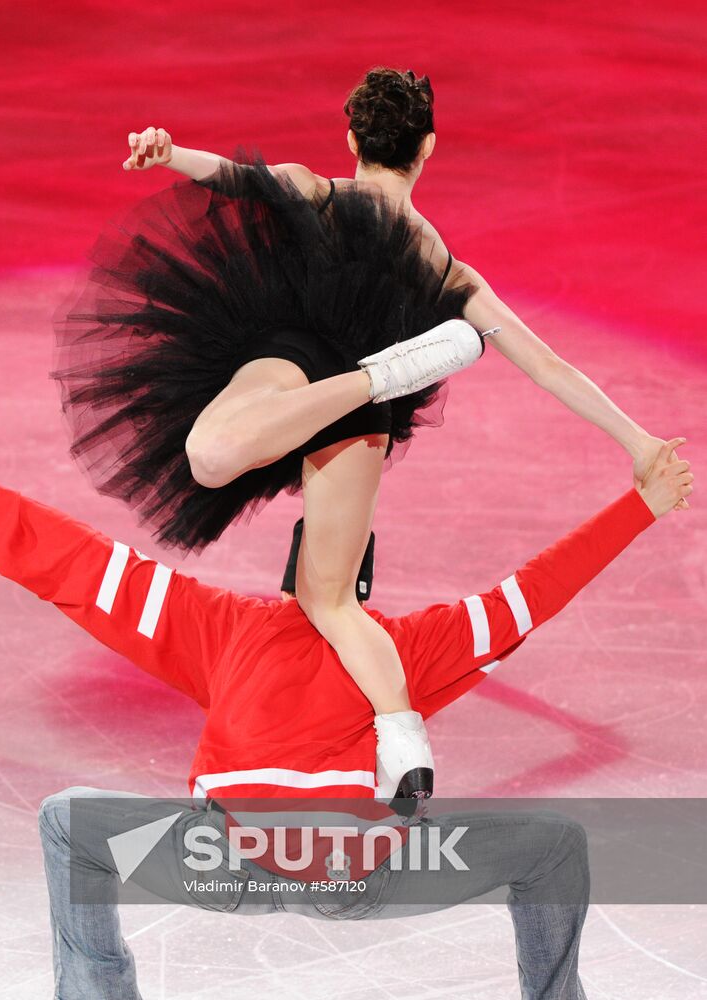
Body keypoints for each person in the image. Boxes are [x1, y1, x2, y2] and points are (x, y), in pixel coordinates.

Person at [48, 66, 683, 811]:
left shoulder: (314, 190)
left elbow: (231, 178)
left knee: (206, 457)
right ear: (429, 148)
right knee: (331, 600)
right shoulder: (442, 265)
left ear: (351, 138)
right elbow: (545, 365)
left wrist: (166, 151)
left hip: (293, 368)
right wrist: (637, 441)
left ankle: (370, 378)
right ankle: (401, 736)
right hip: (361, 423)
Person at [0, 437, 693, 999]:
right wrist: (640, 507)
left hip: (221, 864)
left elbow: (100, 577)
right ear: (361, 578)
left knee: (68, 822)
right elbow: (528, 595)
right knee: (552, 848)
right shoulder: (403, 646)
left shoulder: (223, 625)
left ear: (291, 570)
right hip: (357, 875)